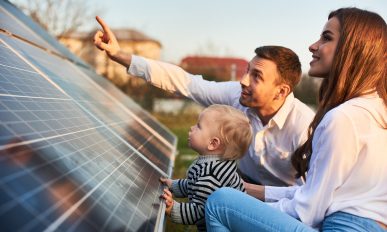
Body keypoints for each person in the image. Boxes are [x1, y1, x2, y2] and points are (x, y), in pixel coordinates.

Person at [205, 7, 387, 231]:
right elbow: (314, 191)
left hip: (343, 226)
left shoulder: (343, 118)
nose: (313, 46)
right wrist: (246, 191)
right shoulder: (377, 109)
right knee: (230, 198)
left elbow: (308, 211)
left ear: (354, 50)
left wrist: (243, 208)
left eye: (326, 38)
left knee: (219, 203)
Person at [94, 16, 315, 187]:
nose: (243, 80)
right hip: (240, 183)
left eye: (256, 76)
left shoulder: (305, 126)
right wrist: (119, 55)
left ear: (281, 91)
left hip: (282, 204)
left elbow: (309, 196)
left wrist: (245, 191)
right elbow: (185, 82)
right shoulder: (236, 95)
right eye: (247, 71)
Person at [159, 104, 252, 231]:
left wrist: (172, 208)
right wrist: (173, 185)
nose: (191, 128)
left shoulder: (211, 175)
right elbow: (195, 185)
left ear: (213, 144)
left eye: (198, 126)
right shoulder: (214, 165)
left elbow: (200, 211)